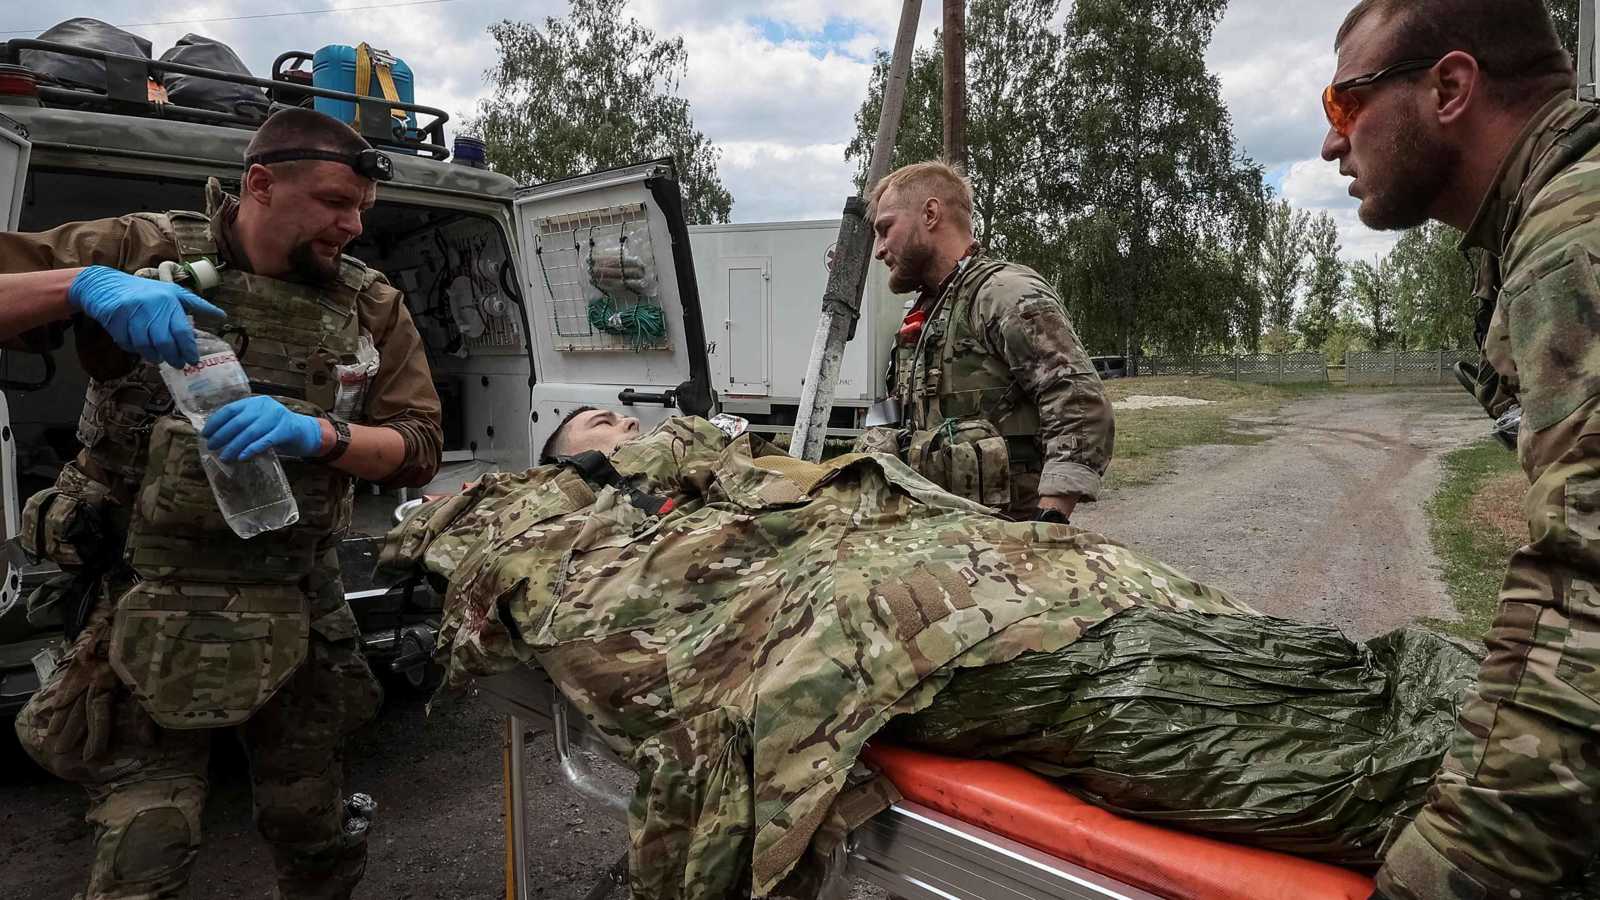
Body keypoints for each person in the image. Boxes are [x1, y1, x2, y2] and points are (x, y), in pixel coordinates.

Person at [384, 411, 1480, 899]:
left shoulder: (740, 462)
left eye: (626, 422)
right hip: (929, 630)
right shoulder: (584, 519)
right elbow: (585, 594)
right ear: (567, 467)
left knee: (1244, 642)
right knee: (1180, 703)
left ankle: (1489, 730)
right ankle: (1489, 791)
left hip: (993, 564)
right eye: (596, 433)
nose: (622, 431)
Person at [8, 107, 443, 900]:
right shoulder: (145, 249)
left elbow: (417, 447)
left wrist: (317, 435)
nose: (351, 226)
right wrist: (84, 285)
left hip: (294, 597)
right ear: (260, 184)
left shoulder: (369, 303)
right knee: (144, 847)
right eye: (335, 202)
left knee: (314, 832)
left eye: (361, 212)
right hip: (144, 597)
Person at [1319, 2, 1597, 897]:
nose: (1333, 146)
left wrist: (1452, 865)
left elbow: (1585, 594)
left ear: (1449, 87)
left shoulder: (1574, 240)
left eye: (1345, 106)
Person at [863, 161, 1114, 522]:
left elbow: (1079, 403)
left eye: (886, 229)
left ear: (930, 213)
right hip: (943, 539)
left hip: (1005, 544)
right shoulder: (927, 313)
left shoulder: (1002, 294)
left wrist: (1049, 521)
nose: (879, 249)